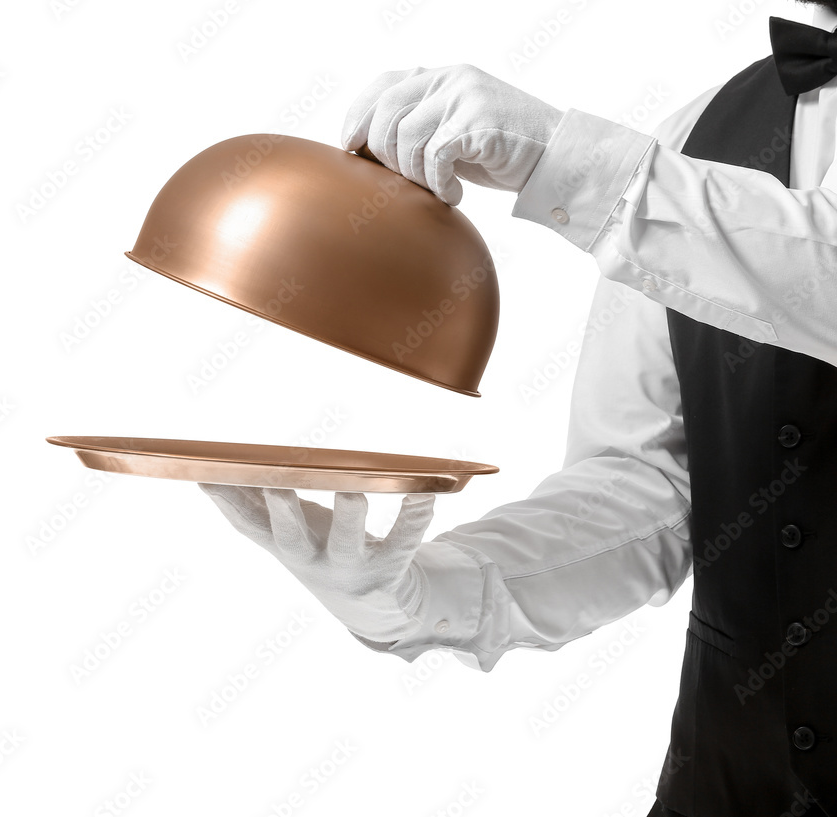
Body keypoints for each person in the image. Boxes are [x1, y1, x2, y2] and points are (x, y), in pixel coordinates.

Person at [199, 5, 837, 815]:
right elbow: (654, 489)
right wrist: (424, 591)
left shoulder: (646, 174)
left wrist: (569, 161)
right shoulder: (698, 132)